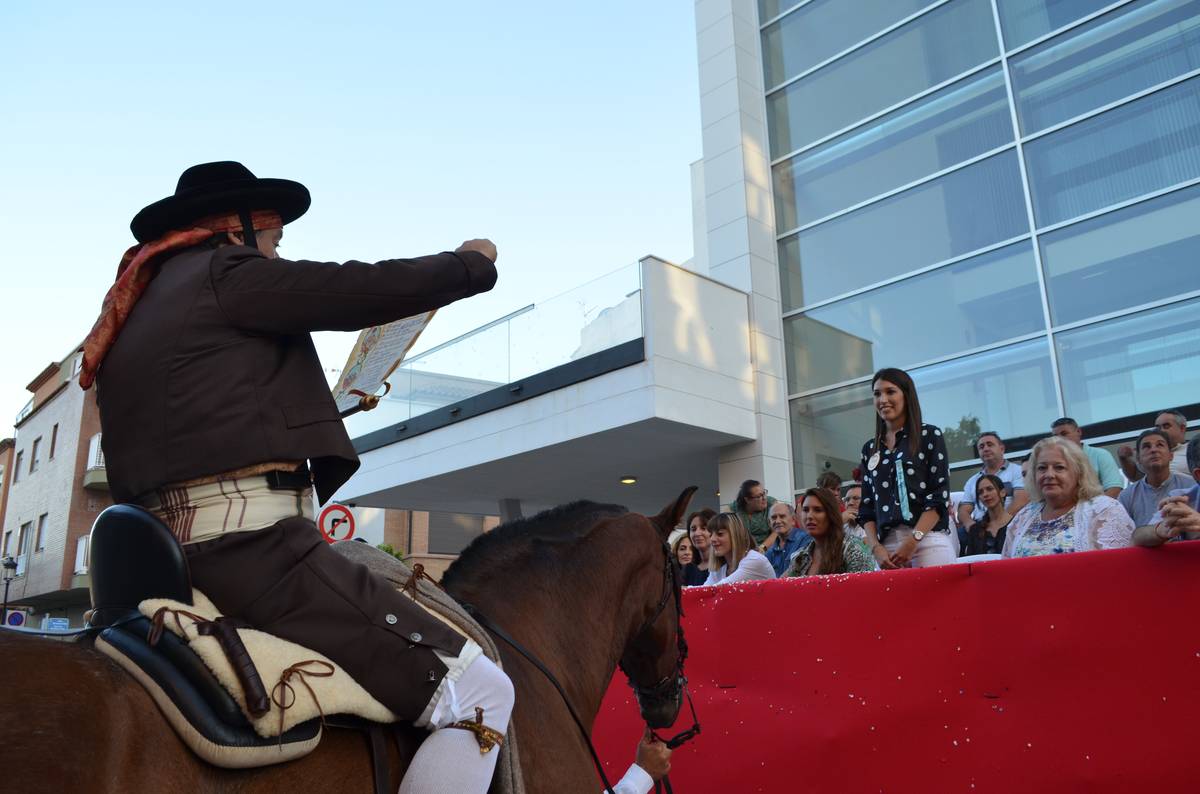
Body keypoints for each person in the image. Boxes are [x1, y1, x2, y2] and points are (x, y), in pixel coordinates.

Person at [82, 161, 511, 793]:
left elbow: (209, 419)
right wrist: (468, 265)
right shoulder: (226, 272)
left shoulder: (136, 309)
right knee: (481, 693)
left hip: (164, 559)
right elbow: (351, 288)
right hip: (255, 556)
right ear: (238, 228)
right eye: (275, 240)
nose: (278, 251)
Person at [857, 368, 956, 569]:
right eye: (877, 394)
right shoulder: (870, 448)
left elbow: (938, 497)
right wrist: (875, 548)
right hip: (886, 549)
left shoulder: (929, 435)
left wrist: (913, 541)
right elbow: (866, 509)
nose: (883, 399)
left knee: (938, 602)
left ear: (906, 395)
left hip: (927, 541)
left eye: (890, 391)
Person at [1002, 437, 1134, 558]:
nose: (1049, 474)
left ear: (1079, 473)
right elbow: (1006, 568)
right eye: (1042, 468)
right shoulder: (1023, 517)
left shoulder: (1104, 510)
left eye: (1059, 467)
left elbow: (1119, 568)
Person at [786, 488, 874, 577]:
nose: (809, 516)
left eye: (818, 510)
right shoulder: (800, 558)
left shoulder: (852, 549)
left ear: (832, 514)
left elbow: (864, 588)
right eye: (805, 510)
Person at [1132, 436, 1200, 547]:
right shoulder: (1183, 499)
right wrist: (1160, 530)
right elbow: (1136, 539)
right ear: (1198, 475)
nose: (1153, 450)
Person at [1117, 429, 1193, 526]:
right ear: (1138, 459)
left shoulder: (1192, 486)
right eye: (1146, 446)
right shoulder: (1126, 496)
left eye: (1160, 445)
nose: (1153, 450)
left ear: (1171, 456)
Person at [958, 432, 1028, 532]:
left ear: (1002, 449)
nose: (985, 449)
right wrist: (970, 525)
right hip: (980, 527)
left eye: (990, 445)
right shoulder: (972, 481)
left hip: (1012, 524)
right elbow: (963, 510)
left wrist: (1000, 522)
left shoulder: (1018, 471)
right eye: (981, 447)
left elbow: (1022, 500)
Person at [1050, 417, 1123, 498]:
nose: (1059, 439)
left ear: (1078, 431)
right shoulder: (1052, 461)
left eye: (1064, 434)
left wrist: (1094, 510)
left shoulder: (1100, 455)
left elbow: (1114, 489)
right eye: (1055, 436)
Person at [1118, 409, 1192, 481]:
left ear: (1182, 428)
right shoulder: (1151, 450)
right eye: (1158, 427)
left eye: (1166, 426)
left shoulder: (1194, 449)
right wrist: (1124, 459)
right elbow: (1135, 477)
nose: (1161, 430)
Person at [703, 512, 775, 585]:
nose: (712, 539)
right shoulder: (720, 568)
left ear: (736, 536)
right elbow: (702, 590)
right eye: (711, 534)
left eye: (720, 534)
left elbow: (716, 589)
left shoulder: (754, 560)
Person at [961, 474, 1012, 556]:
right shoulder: (975, 530)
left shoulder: (1016, 525)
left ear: (1003, 492)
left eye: (989, 489)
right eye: (980, 492)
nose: (985, 494)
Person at [761, 501, 811, 577]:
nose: (777, 521)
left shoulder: (805, 540)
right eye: (773, 517)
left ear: (793, 520)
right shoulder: (770, 551)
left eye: (782, 516)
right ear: (769, 523)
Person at [729, 479, 776, 548]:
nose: (764, 498)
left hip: (767, 550)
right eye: (759, 496)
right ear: (747, 500)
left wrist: (762, 549)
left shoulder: (771, 504)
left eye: (764, 493)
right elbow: (724, 525)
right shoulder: (735, 507)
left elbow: (776, 532)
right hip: (742, 550)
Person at [682, 508, 716, 586]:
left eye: (703, 528)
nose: (697, 533)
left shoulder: (725, 566)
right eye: (693, 529)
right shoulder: (688, 569)